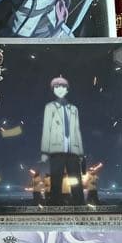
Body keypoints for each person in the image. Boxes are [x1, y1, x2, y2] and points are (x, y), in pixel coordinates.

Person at [40, 76, 84, 206]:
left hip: (73, 150)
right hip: (56, 149)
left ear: (67, 89)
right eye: (56, 87)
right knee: (56, 179)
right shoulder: (50, 107)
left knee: (75, 179)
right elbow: (46, 129)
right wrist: (44, 151)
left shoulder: (74, 109)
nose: (59, 89)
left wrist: (80, 152)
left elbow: (77, 131)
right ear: (53, 90)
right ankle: (55, 204)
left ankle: (79, 203)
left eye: (62, 87)